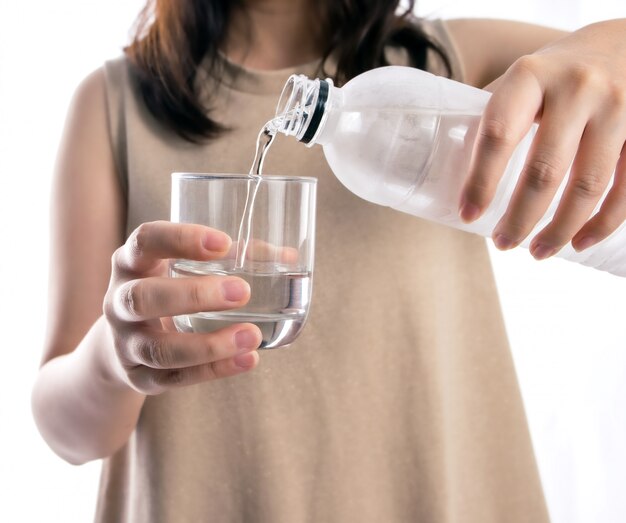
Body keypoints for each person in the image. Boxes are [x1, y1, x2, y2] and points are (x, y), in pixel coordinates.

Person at [31, 1, 626, 521]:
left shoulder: (444, 63)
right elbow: (67, 433)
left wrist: (610, 46)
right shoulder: (113, 102)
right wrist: (113, 357)